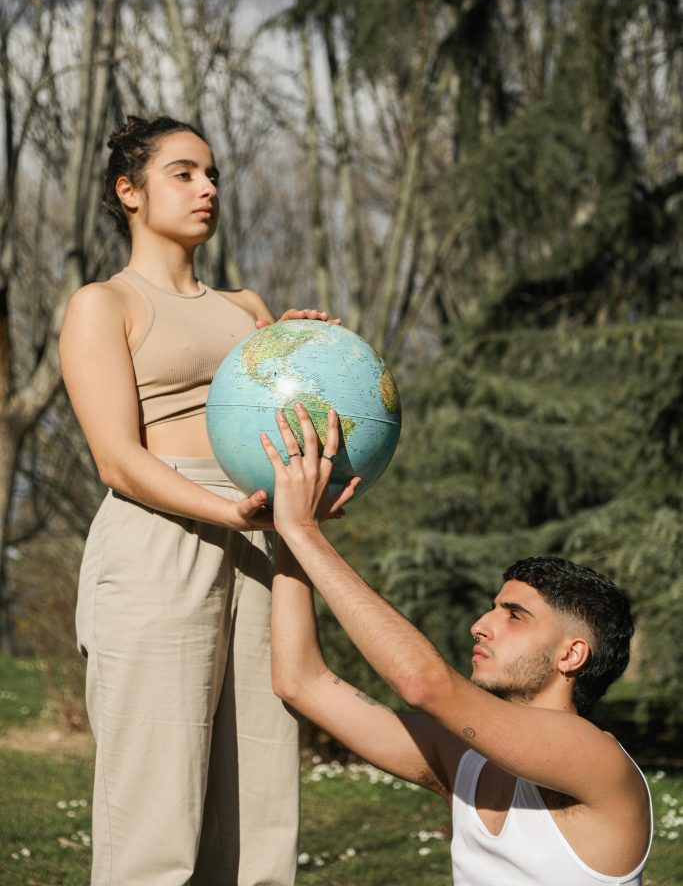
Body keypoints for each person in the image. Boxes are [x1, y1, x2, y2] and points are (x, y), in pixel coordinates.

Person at [59, 115, 337, 886]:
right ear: (130, 192)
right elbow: (117, 459)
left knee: (258, 810)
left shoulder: (248, 309)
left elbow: (277, 414)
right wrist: (228, 513)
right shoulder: (103, 304)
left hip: (259, 538)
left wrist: (311, 360)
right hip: (158, 539)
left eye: (212, 174)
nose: (207, 187)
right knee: (155, 817)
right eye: (183, 173)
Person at [262, 404, 654, 885]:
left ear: (571, 655)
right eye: (493, 608)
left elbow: (423, 684)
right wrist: (287, 534)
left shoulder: (597, 760)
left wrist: (307, 532)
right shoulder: (464, 760)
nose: (480, 625)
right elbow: (301, 682)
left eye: (515, 615)